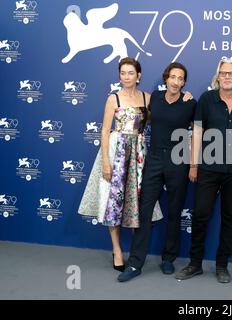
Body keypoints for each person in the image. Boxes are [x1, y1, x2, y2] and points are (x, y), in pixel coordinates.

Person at [175, 58, 232, 283]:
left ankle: (222, 265)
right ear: (218, 76)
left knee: (229, 217)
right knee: (201, 214)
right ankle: (195, 264)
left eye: (231, 73)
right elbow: (198, 133)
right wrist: (193, 165)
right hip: (208, 167)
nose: (227, 77)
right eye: (223, 73)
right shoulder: (207, 99)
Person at [78, 57, 162, 272]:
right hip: (116, 152)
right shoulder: (113, 99)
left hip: (139, 154)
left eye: (130, 73)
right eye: (123, 73)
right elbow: (105, 130)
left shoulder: (148, 98)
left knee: (137, 201)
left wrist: (185, 97)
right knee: (113, 202)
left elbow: (167, 114)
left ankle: (136, 251)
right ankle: (116, 249)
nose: (126, 77)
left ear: (138, 75)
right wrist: (106, 162)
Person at [118, 62, 196, 282]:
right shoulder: (154, 99)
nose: (176, 82)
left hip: (178, 160)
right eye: (173, 77)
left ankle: (169, 258)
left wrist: (193, 164)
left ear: (183, 82)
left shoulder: (190, 103)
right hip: (153, 159)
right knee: (144, 211)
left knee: (174, 210)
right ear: (166, 78)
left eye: (181, 79)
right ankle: (135, 264)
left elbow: (198, 132)